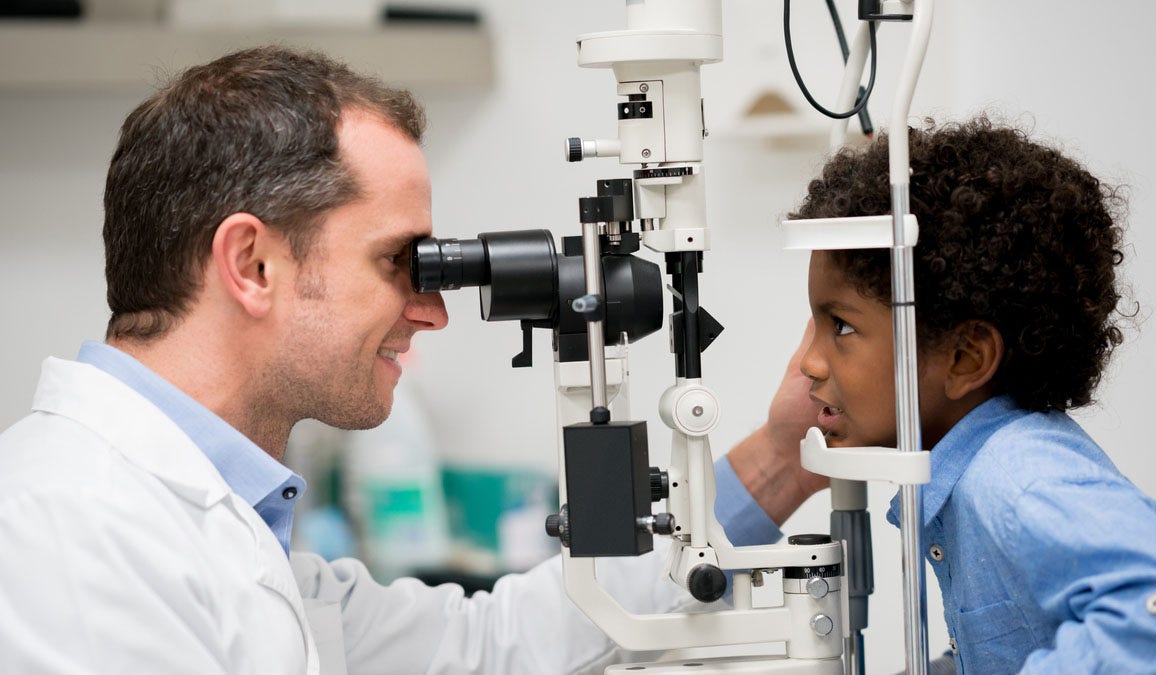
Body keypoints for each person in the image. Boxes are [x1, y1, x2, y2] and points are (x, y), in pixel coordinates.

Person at [0, 47, 821, 674]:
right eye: (402, 261)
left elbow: (490, 646)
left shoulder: (223, 524)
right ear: (253, 265)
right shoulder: (67, 530)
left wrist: (787, 457)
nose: (431, 310)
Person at [784, 118, 1156, 673]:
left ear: (965, 358)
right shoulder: (969, 472)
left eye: (840, 326)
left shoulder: (1015, 476)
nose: (809, 362)